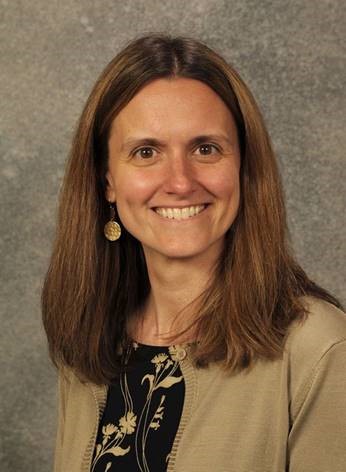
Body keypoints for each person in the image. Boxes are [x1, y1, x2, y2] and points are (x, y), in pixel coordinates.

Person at [42, 33, 346, 472]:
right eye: (146, 152)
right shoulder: (91, 345)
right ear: (107, 180)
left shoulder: (320, 351)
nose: (181, 182)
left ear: (243, 166)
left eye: (206, 149)